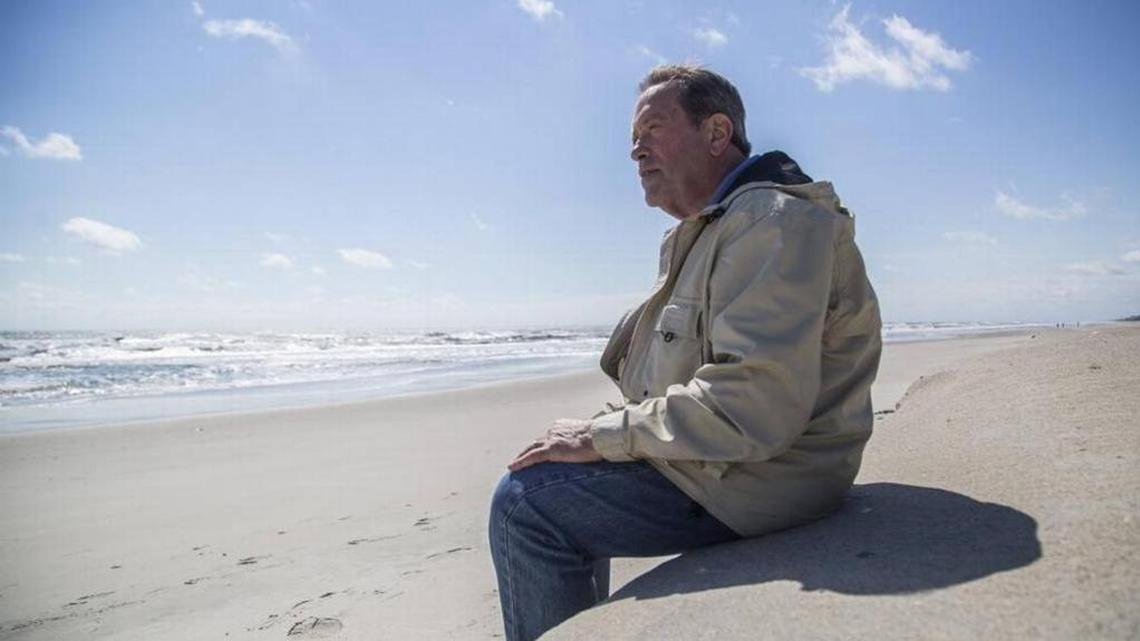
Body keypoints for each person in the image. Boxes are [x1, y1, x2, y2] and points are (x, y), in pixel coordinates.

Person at [488, 64, 882, 641]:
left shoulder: (773, 222)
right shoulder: (714, 228)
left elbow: (750, 406)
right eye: (632, 138)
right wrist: (607, 433)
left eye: (652, 131)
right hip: (741, 458)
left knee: (528, 505)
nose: (635, 151)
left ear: (717, 133)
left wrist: (604, 438)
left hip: (767, 476)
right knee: (554, 465)